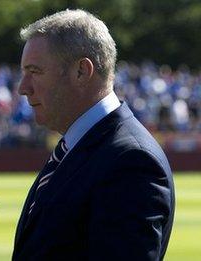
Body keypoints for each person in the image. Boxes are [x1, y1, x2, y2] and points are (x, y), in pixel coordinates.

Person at [13, 9, 175, 260]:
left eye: (34, 72)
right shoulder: (77, 145)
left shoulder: (131, 161)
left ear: (81, 71)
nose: (23, 88)